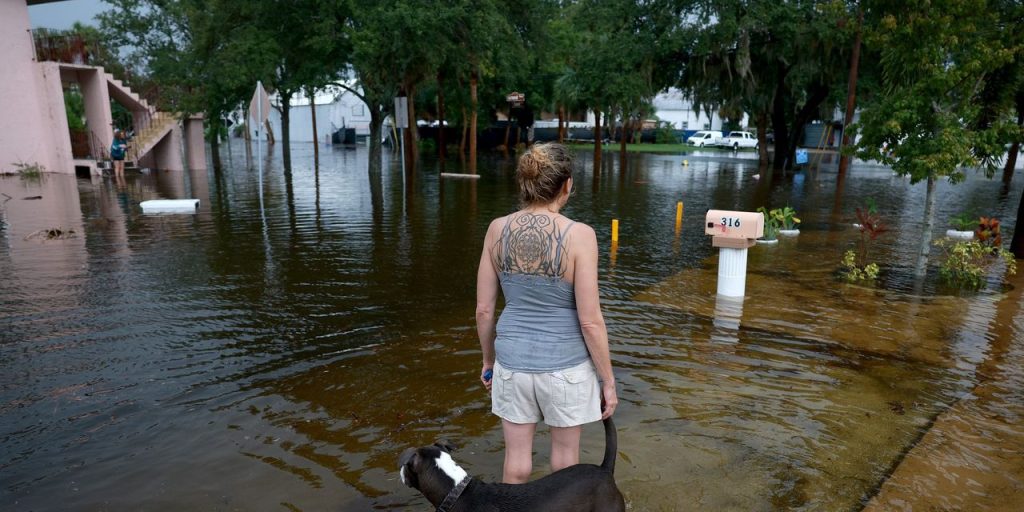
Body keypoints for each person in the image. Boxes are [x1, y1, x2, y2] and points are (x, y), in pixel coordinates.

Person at [476, 142, 618, 484]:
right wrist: (608, 381)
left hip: (512, 364)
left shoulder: (497, 229)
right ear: (566, 184)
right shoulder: (581, 236)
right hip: (566, 367)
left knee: (517, 463)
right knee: (566, 464)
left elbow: (483, 310)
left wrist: (488, 361)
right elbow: (590, 320)